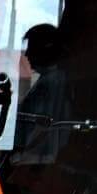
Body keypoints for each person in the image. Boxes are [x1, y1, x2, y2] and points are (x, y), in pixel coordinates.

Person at [13, 23, 73, 166]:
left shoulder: (51, 84)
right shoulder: (56, 79)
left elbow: (41, 129)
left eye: (30, 48)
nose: (26, 54)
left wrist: (20, 158)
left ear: (44, 49)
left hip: (32, 164)